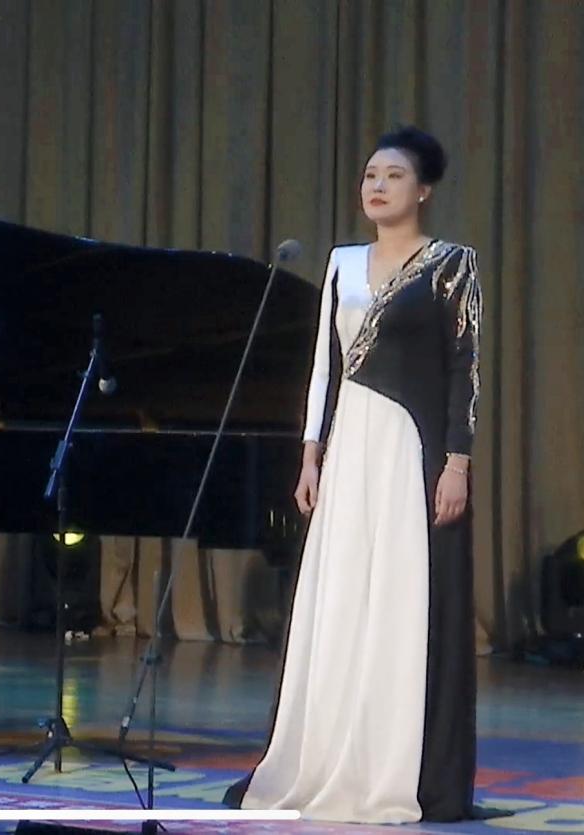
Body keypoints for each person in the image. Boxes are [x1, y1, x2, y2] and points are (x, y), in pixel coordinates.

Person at [225, 126, 483, 823]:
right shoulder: (341, 264)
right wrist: (310, 454)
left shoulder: (451, 264)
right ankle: (320, 754)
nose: (377, 185)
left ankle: (388, 763)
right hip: (348, 450)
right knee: (338, 598)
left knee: (398, 597)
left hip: (408, 452)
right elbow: (324, 369)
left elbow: (464, 370)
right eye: (370, 174)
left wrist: (456, 462)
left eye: (393, 176)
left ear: (423, 190)